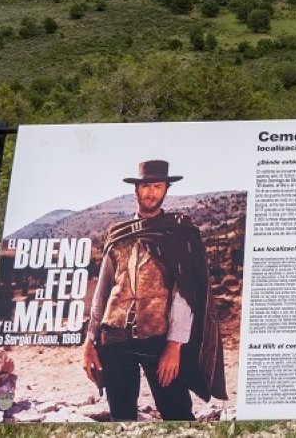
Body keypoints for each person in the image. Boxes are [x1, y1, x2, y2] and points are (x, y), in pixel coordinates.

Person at [82, 160, 225, 421]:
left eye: (157, 186)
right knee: (121, 416)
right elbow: (103, 291)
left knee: (177, 413)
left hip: (158, 338)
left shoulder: (178, 234)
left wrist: (174, 345)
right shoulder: (118, 234)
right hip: (114, 337)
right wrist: (90, 340)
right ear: (136, 189)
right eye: (146, 186)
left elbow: (184, 294)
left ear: (166, 189)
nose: (151, 192)